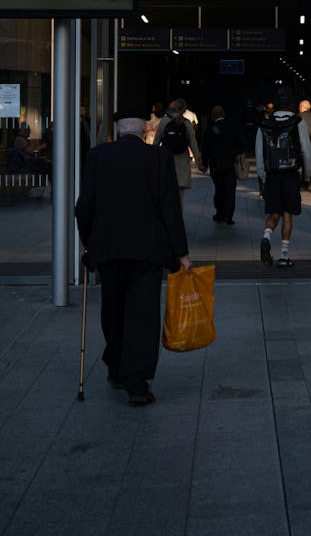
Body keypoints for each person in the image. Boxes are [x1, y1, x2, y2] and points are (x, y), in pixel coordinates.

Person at [74, 107, 191, 407]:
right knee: (142, 313)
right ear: (145, 129)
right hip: (147, 251)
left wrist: (89, 243)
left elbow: (84, 205)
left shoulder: (98, 156)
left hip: (108, 250)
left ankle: (115, 365)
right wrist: (181, 252)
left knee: (113, 309)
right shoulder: (158, 158)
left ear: (117, 129)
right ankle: (136, 382)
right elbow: (170, 209)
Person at [256, 90, 311, 268]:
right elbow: (306, 150)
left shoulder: (265, 123)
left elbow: (259, 151)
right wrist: (307, 175)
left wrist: (263, 176)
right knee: (287, 213)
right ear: (291, 104)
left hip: (272, 174)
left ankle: (266, 237)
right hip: (290, 173)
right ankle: (284, 256)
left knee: (274, 211)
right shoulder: (298, 122)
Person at [200, 104, 242, 225]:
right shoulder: (233, 126)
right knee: (230, 190)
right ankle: (229, 216)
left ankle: (220, 214)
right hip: (231, 164)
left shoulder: (210, 129)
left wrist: (204, 163)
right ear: (224, 114)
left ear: (213, 116)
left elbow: (206, 148)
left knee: (219, 190)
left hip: (216, 164)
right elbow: (242, 142)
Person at [153, 98, 201, 190]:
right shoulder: (186, 123)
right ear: (184, 109)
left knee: (167, 190)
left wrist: (154, 157)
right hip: (182, 159)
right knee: (179, 195)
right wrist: (199, 162)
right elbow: (193, 143)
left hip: (166, 158)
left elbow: (157, 139)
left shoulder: (164, 120)